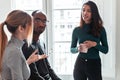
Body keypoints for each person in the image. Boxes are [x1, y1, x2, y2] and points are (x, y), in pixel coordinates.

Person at [0, 10, 47, 80]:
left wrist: (28, 62)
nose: (31, 29)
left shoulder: (13, 47)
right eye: (30, 26)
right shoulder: (14, 51)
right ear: (21, 28)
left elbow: (16, 69)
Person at [70, 1, 109, 80]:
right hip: (80, 63)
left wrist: (95, 44)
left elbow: (106, 50)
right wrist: (77, 49)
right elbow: (71, 49)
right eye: (83, 10)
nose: (85, 13)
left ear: (93, 13)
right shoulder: (76, 30)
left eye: (89, 11)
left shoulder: (101, 29)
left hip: (94, 64)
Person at [22, 10, 61, 80]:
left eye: (44, 21)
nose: (41, 24)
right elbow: (34, 75)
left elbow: (48, 67)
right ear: (30, 21)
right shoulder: (26, 44)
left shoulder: (41, 42)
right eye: (37, 20)